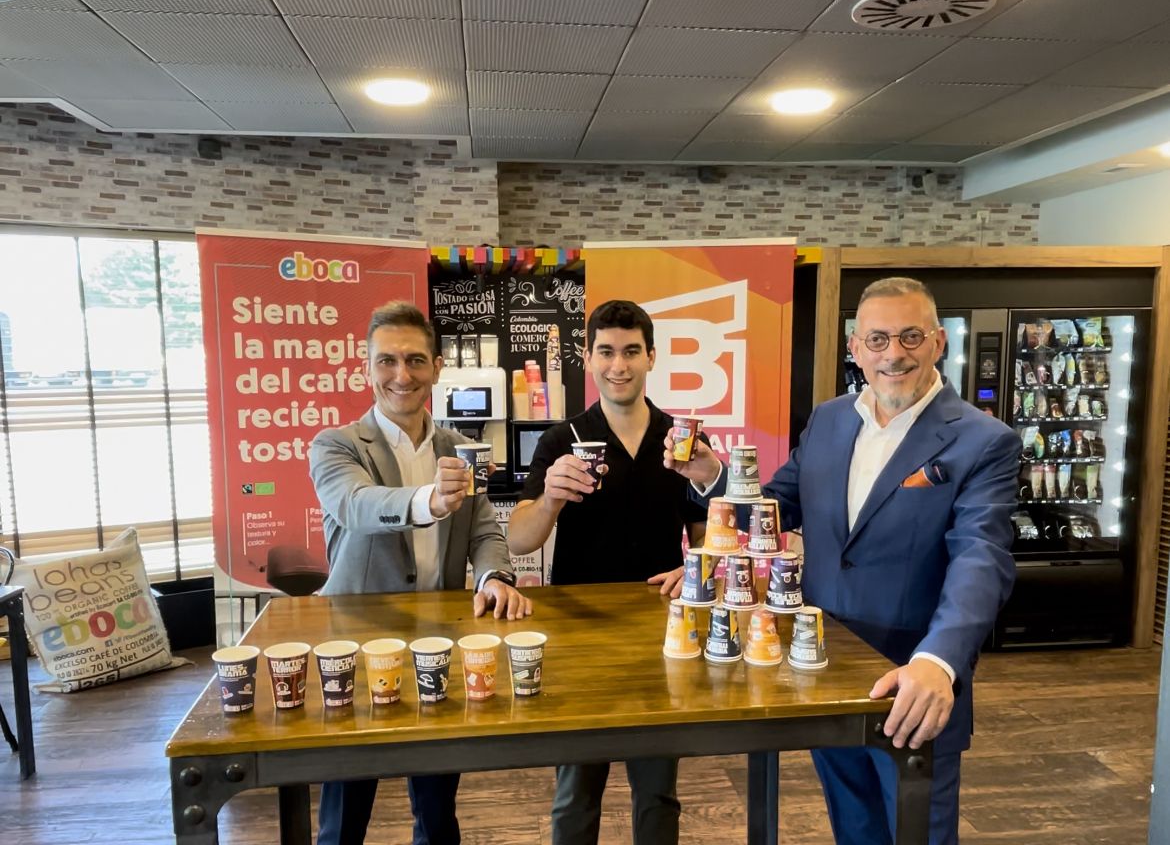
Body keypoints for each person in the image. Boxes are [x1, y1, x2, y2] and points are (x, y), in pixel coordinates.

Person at [668, 277, 1018, 845]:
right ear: (855, 347)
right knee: (853, 828)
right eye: (878, 339)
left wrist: (939, 661)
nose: (894, 354)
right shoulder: (829, 419)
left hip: (912, 681)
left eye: (910, 336)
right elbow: (774, 506)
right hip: (821, 664)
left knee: (918, 834)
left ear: (937, 342)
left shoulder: (984, 441)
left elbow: (982, 557)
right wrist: (712, 481)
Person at [308, 301, 533, 845]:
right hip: (357, 645)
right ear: (367, 368)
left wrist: (494, 577)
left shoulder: (459, 447)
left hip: (441, 638)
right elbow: (356, 506)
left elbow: (483, 530)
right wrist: (428, 500)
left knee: (437, 806)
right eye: (386, 361)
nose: (400, 375)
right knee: (344, 814)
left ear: (436, 366)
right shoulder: (335, 445)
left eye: (414, 360)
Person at [508, 299, 707, 845]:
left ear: (651, 357)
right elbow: (519, 538)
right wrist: (549, 499)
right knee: (576, 788)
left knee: (659, 788)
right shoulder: (561, 439)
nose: (619, 365)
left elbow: (705, 534)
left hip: (661, 630)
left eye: (631, 352)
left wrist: (693, 572)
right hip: (578, 632)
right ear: (588, 358)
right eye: (606, 352)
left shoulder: (680, 441)